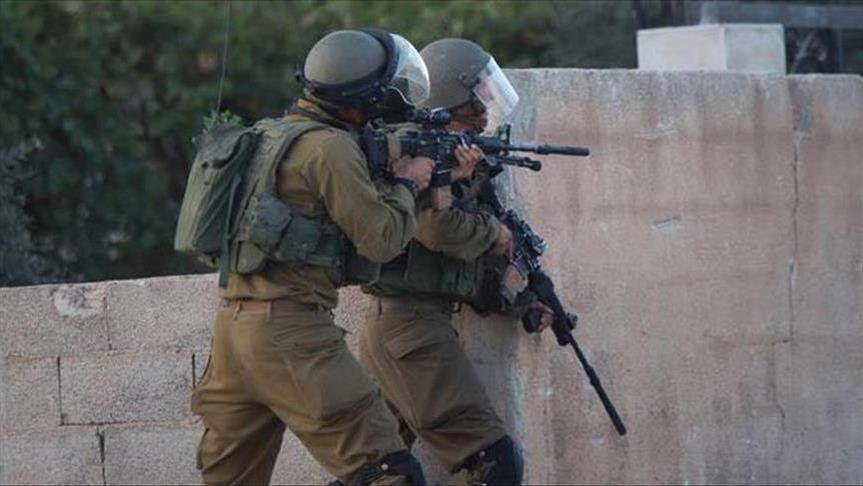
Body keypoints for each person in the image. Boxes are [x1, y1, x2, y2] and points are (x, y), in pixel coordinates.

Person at [190, 29, 437, 486]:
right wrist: (408, 184)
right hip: (292, 334)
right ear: (364, 99)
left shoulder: (269, 133)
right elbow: (382, 241)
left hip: (232, 333)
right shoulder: (329, 147)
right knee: (390, 472)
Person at [358, 38, 554, 485]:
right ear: (452, 94)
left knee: (382, 472)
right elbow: (436, 230)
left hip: (408, 329)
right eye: (479, 95)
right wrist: (496, 233)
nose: (486, 108)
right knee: (495, 462)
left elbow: (466, 265)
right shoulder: (417, 151)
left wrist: (523, 300)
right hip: (411, 329)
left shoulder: (456, 154)